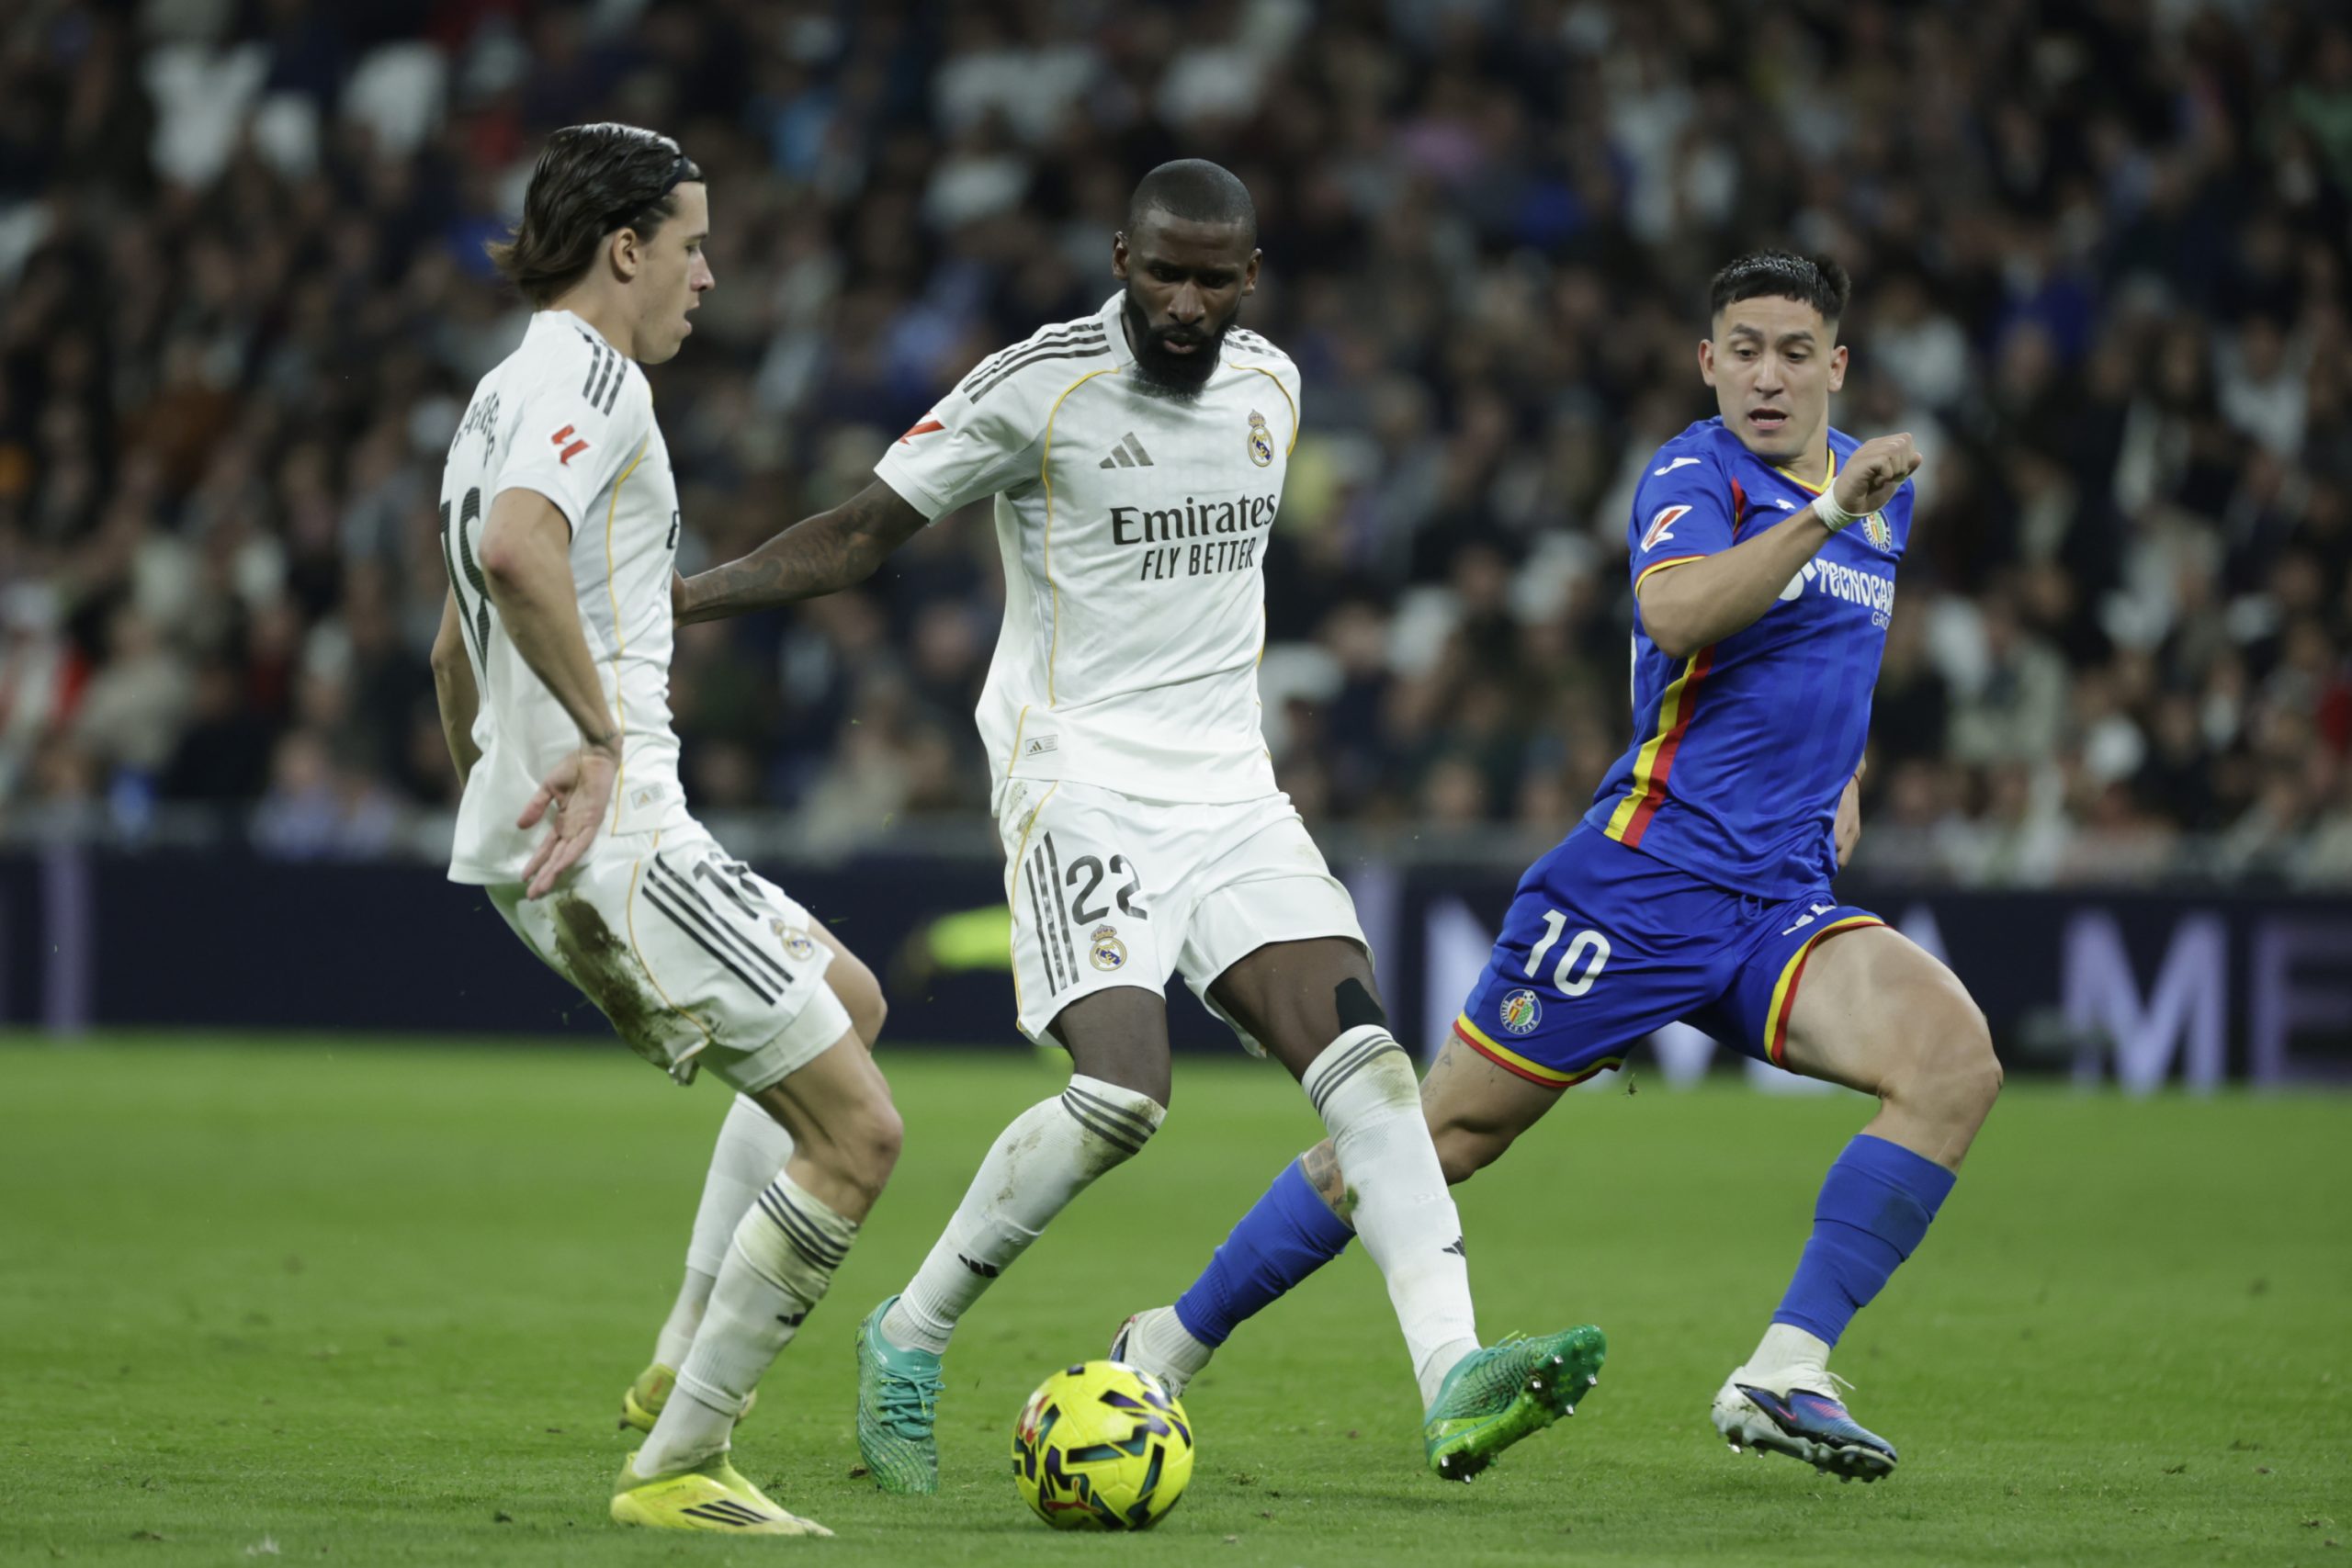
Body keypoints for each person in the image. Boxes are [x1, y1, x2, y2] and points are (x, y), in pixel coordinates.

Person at [670, 158, 1603, 1492]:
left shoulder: (1274, 390)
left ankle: (1451, 1376)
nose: (1184, 299)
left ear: (1250, 281)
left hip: (1231, 789)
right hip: (1078, 776)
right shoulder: (1034, 386)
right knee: (1121, 1095)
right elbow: (865, 532)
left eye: (1213, 278)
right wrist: (689, 600)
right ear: (1121, 256)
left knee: (1375, 1074)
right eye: (1163, 270)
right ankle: (910, 1332)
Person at [1112, 251, 2003, 1484]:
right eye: (1741, 347)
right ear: (1707, 361)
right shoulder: (1706, 476)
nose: (1766, 374)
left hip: (1776, 905)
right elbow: (1679, 619)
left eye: (1795, 351)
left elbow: (1826, 659)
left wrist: (1840, 775)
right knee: (1428, 1144)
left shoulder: (1874, 498)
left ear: (1836, 366)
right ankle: (1164, 1342)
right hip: (1640, 888)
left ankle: (1785, 1367)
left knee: (1953, 1062)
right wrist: (1828, 511)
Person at [430, 121, 901, 1537]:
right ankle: (684, 1460)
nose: (709, 273)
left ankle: (673, 1366)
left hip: (583, 831)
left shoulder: (499, 392)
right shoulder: (592, 378)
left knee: (848, 1002)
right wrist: (588, 745)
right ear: (624, 247)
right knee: (860, 1140)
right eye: (692, 244)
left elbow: (452, 652)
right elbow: (519, 555)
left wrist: (501, 793)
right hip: (623, 833)